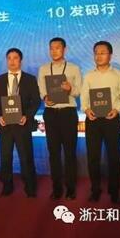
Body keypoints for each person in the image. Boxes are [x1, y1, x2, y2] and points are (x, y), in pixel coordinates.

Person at [81, 41, 120, 204]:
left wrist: (117, 109)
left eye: (102, 52)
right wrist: (86, 109)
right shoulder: (89, 75)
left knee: (113, 157)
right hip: (93, 120)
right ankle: (95, 190)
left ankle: (114, 191)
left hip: (111, 119)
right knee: (93, 157)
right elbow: (84, 97)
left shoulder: (118, 75)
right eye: (96, 53)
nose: (99, 56)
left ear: (110, 55)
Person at [0, 48, 40, 197]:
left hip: (22, 124)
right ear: (6, 60)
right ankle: (7, 185)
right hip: (5, 125)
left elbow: (36, 101)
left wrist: (27, 116)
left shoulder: (30, 79)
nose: (12, 61)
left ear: (21, 60)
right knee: (5, 157)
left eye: (15, 58)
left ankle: (30, 186)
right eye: (9, 58)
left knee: (26, 157)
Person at [37, 37, 82, 200]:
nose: (54, 51)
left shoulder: (74, 68)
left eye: (57, 47)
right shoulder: (43, 69)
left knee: (70, 152)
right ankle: (56, 188)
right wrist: (45, 97)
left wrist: (70, 89)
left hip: (68, 112)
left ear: (64, 49)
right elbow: (41, 89)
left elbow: (79, 91)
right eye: (51, 48)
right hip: (50, 113)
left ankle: (70, 188)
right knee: (53, 152)